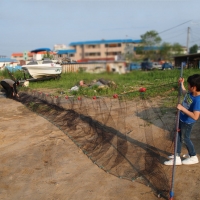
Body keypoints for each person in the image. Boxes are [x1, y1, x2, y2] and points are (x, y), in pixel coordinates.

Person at [164, 74, 200, 165]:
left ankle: (193, 156)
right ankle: (177, 156)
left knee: (185, 138)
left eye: (188, 85)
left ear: (194, 87)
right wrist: (182, 84)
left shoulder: (198, 101)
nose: (187, 87)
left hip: (187, 123)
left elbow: (195, 116)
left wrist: (182, 109)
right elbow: (185, 93)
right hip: (182, 119)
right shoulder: (191, 93)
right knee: (178, 136)